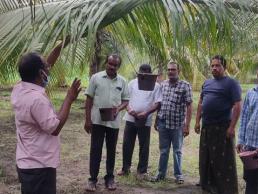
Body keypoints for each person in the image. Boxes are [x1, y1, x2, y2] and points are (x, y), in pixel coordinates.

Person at [11, 51, 81, 194]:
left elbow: (42, 65)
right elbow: (54, 128)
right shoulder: (37, 99)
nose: (49, 68)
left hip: (27, 161)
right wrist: (69, 98)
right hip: (39, 166)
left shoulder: (19, 89)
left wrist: (61, 46)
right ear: (40, 73)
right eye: (46, 67)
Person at [194, 55, 241, 194]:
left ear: (224, 67)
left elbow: (238, 106)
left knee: (223, 162)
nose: (214, 68)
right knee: (206, 159)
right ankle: (208, 188)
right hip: (206, 128)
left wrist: (232, 127)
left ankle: (225, 190)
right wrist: (197, 121)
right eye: (212, 66)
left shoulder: (231, 83)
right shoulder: (207, 83)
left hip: (222, 128)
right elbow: (201, 103)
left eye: (217, 65)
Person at [84, 54, 129, 191]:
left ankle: (109, 178)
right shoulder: (96, 78)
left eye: (115, 65)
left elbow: (126, 101)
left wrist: (118, 109)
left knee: (111, 150)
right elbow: (89, 99)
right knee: (95, 150)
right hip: (97, 121)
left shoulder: (122, 81)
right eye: (110, 64)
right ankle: (92, 179)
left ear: (118, 66)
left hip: (113, 123)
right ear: (106, 63)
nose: (112, 67)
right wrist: (87, 120)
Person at [117, 64, 162, 179]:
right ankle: (125, 168)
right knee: (127, 144)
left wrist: (146, 113)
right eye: (142, 74)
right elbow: (125, 99)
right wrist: (129, 109)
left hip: (145, 120)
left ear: (151, 74)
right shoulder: (132, 83)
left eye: (147, 74)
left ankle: (142, 171)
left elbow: (157, 103)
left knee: (144, 145)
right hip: (130, 118)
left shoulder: (156, 86)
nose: (144, 76)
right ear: (139, 73)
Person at [153, 61, 192, 184]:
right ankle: (161, 174)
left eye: (173, 70)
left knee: (177, 150)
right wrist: (156, 120)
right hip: (163, 123)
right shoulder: (163, 85)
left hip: (177, 124)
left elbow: (189, 105)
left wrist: (187, 125)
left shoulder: (185, 85)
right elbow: (159, 104)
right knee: (163, 150)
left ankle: (178, 175)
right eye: (169, 70)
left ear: (178, 71)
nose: (170, 72)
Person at [237, 69, 258, 194]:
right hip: (249, 146)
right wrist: (240, 140)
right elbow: (244, 117)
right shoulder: (251, 93)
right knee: (250, 181)